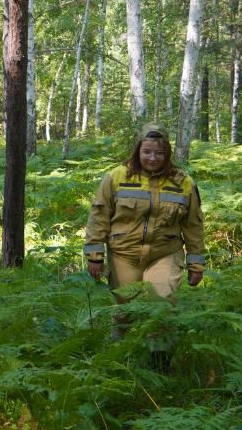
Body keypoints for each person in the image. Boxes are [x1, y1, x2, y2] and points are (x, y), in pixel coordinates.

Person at [84, 123, 205, 364]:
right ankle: (118, 363)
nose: (152, 158)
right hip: (123, 255)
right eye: (147, 152)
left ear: (168, 153)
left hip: (165, 254)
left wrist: (196, 263)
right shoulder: (116, 177)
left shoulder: (183, 182)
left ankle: (159, 365)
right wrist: (95, 255)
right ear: (138, 150)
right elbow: (99, 216)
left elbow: (193, 225)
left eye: (159, 153)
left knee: (161, 308)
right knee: (124, 312)